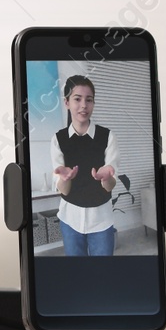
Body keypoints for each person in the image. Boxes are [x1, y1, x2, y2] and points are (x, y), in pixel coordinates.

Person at [49, 73, 118, 257]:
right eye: (77, 99)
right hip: (70, 219)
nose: (83, 105)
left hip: (101, 220)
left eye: (89, 100)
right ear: (66, 103)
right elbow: (63, 190)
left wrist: (107, 178)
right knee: (77, 272)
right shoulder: (58, 139)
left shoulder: (107, 137)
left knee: (103, 274)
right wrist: (65, 178)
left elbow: (111, 185)